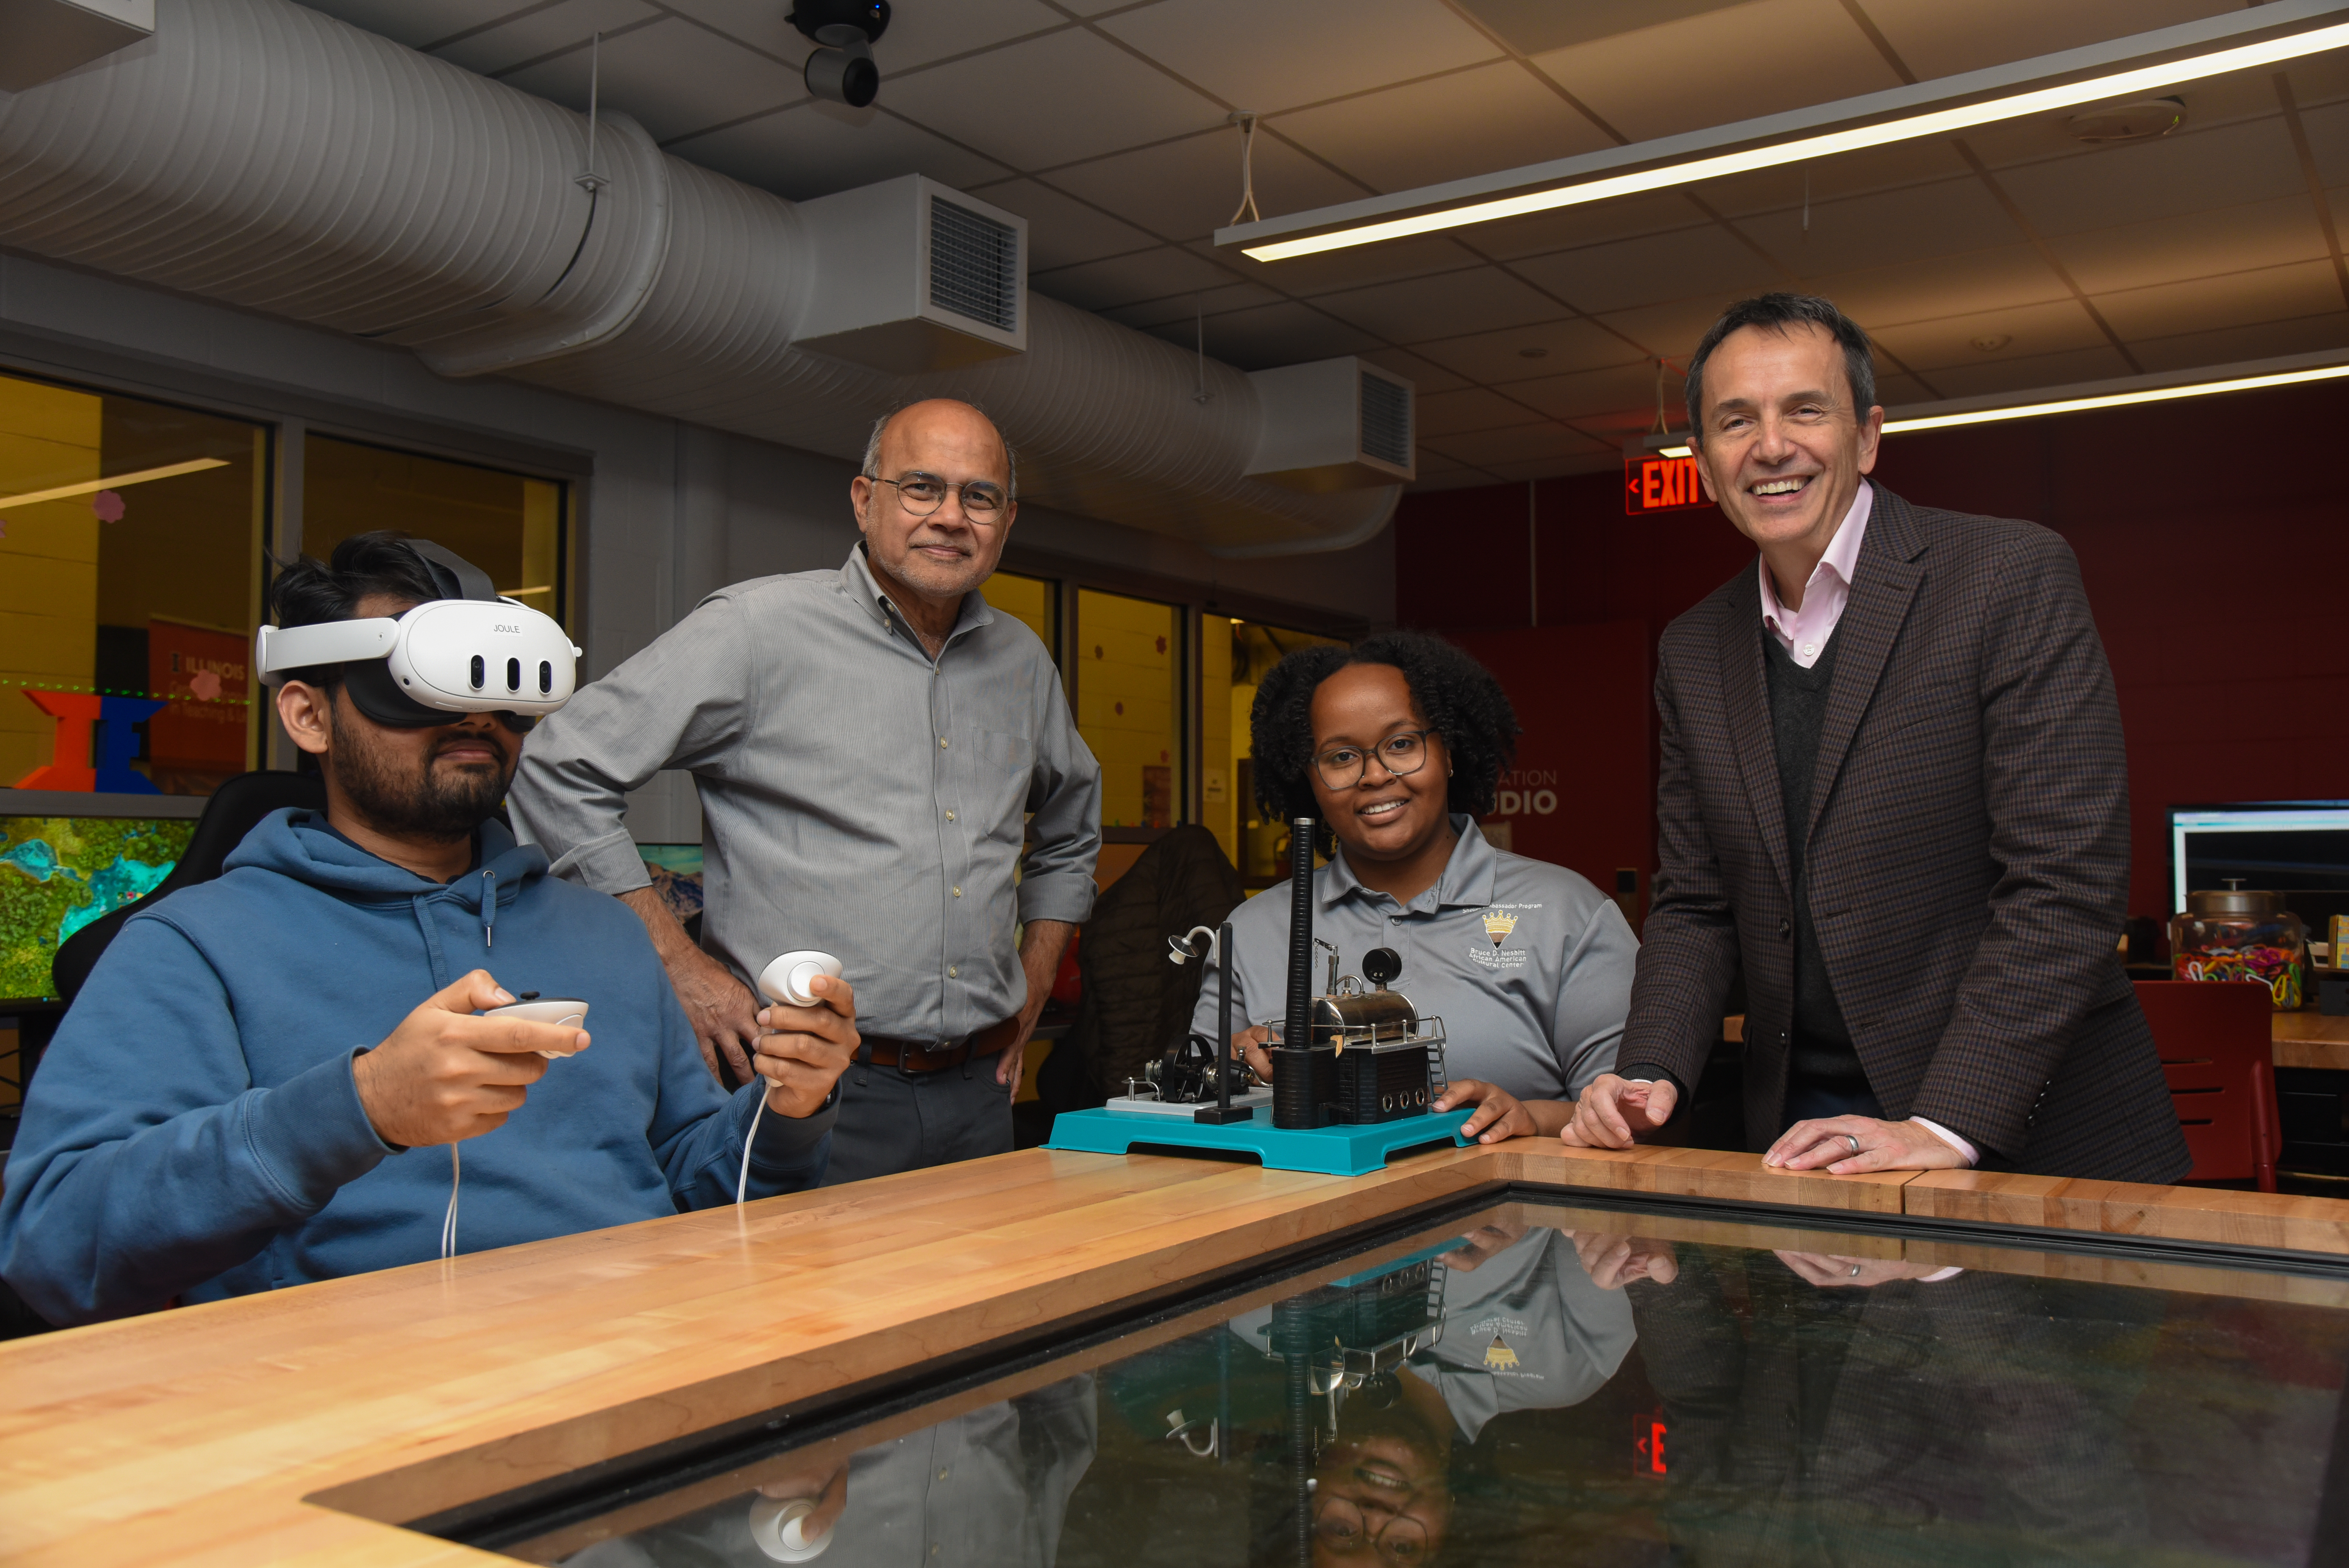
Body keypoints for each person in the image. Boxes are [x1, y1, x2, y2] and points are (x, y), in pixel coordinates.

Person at [0, 534, 855, 1328]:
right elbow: (51, 1245)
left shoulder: (605, 935)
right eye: (420, 687)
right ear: (308, 716)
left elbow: (696, 1183)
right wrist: (359, 1108)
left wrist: (786, 1105)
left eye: (500, 696)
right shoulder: (192, 948)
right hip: (354, 1403)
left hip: (631, 1367)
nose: (474, 718)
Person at [1565, 292, 2188, 1183]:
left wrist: (1944, 1124)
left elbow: (2062, 887)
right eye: (1735, 421)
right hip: (1801, 1138)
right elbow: (1696, 903)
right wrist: (1647, 1070)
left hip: (2020, 1138)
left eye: (1803, 410)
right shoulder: (1692, 648)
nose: (1770, 446)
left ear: (1865, 437)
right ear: (1701, 462)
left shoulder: (2007, 576)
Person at [510, 399, 1100, 1185]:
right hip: (803, 1087)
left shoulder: (1022, 662)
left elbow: (1070, 828)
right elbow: (557, 767)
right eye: (921, 487)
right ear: (865, 500)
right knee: (808, 1310)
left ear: (1007, 518)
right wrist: (676, 964)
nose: (950, 516)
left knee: (982, 1309)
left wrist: (1032, 984)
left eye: (978, 496)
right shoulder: (756, 630)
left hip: (980, 1092)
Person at [1198, 633, 1636, 1140]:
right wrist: (1236, 1071)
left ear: (1448, 750)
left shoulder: (1568, 915)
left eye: (1402, 744)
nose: (1376, 775)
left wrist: (1532, 1118)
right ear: (1310, 782)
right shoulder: (1252, 932)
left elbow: (1635, 1114)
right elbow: (1192, 1105)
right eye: (1341, 757)